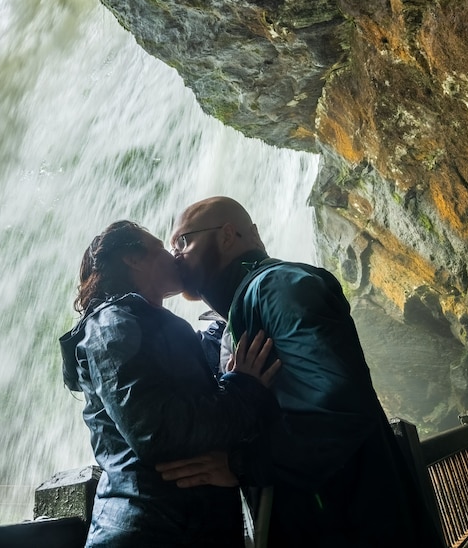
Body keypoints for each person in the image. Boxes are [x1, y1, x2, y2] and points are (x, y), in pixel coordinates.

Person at [162, 197, 445, 548]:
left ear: (227, 235)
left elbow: (337, 407)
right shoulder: (233, 318)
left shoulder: (280, 287)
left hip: (351, 526)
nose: (174, 255)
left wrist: (240, 464)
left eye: (182, 241)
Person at [59, 220, 281, 548]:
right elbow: (156, 431)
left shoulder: (143, 326)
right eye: (162, 247)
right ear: (133, 258)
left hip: (175, 528)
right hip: (148, 531)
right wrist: (244, 389)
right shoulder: (111, 325)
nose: (174, 255)